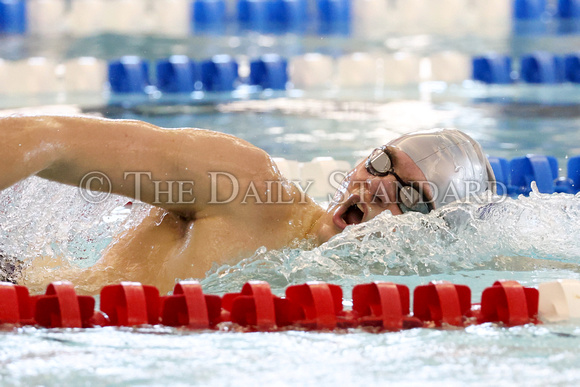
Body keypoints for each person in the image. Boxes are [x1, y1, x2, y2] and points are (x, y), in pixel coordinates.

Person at [0, 115, 495, 293]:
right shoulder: (241, 183)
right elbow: (52, 140)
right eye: (383, 163)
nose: (380, 185)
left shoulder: (376, 297)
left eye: (411, 195)